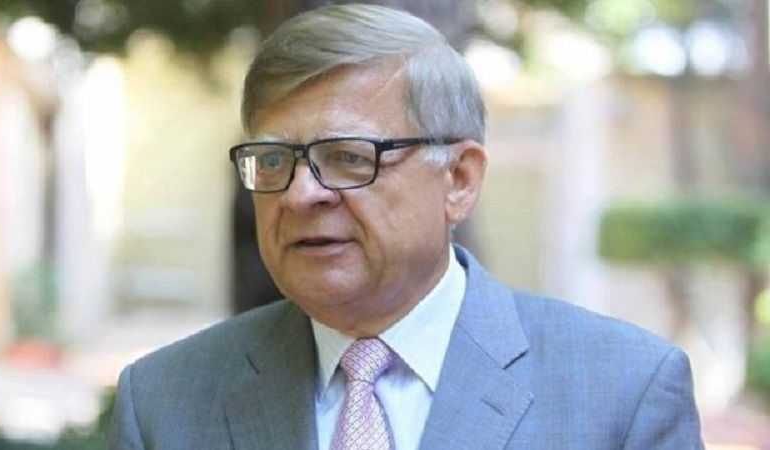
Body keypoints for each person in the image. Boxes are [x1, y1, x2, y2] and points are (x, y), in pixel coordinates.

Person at [109, 4, 703, 449]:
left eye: (349, 156)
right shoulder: (164, 401)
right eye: (272, 160)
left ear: (459, 180)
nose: (299, 193)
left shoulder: (624, 392)